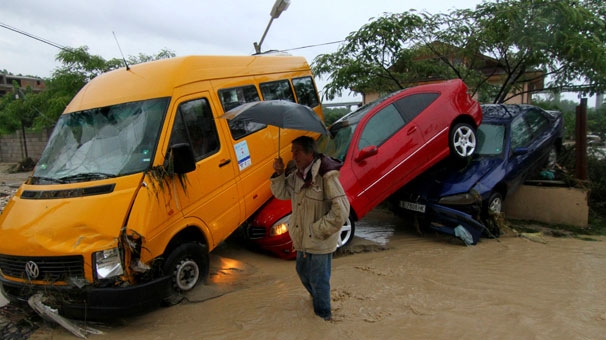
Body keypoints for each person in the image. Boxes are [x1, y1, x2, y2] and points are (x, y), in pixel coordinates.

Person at [270, 135, 350, 321]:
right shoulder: (298, 176)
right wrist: (279, 173)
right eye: (292, 151)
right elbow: (281, 193)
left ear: (310, 153)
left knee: (319, 280)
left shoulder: (326, 176)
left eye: (297, 151)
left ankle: (323, 318)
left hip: (319, 240)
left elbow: (342, 210)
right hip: (303, 239)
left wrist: (318, 230)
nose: (293, 155)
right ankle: (318, 300)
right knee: (302, 271)